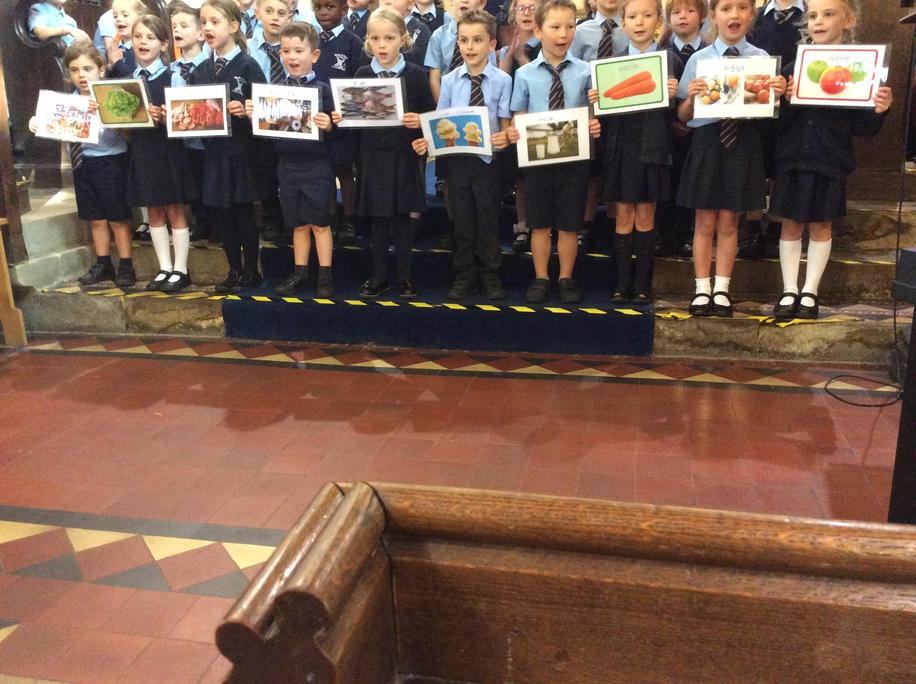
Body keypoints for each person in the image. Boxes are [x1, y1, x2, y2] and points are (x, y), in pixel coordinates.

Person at [771, 0, 891, 319]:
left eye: (828, 14)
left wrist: (880, 108)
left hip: (830, 158)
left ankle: (810, 292)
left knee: (821, 225)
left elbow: (864, 128)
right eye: (812, 16)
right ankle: (789, 290)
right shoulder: (793, 67)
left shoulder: (860, 70)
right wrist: (783, 98)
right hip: (793, 157)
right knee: (790, 224)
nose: (818, 22)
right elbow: (775, 123)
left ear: (848, 20)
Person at [676, 0, 786, 317]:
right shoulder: (699, 59)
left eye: (741, 8)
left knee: (729, 220)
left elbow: (769, 112)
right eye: (725, 9)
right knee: (704, 220)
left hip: (743, 142)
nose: (733, 15)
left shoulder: (762, 59)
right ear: (713, 17)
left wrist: (776, 95)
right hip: (707, 143)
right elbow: (682, 116)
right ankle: (701, 288)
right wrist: (692, 97)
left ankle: (722, 289)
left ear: (751, 15)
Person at [332, 7, 435, 298]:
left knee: (402, 221)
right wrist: (343, 118)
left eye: (389, 38)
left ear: (402, 39)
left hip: (403, 157)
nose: (382, 45)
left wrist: (421, 122)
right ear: (368, 41)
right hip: (371, 158)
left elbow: (430, 115)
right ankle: (379, 276)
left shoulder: (415, 74)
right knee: (377, 222)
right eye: (375, 38)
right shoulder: (363, 74)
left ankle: (405, 277)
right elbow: (354, 120)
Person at [413, 9, 511, 300]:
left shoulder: (503, 80)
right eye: (464, 40)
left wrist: (504, 136)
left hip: (488, 162)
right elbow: (441, 120)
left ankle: (490, 273)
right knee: (463, 219)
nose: (470, 46)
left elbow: (505, 125)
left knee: (488, 219)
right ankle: (465, 273)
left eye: (477, 40)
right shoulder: (450, 80)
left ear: (491, 44)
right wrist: (428, 141)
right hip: (457, 162)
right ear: (458, 43)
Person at [507, 0, 601, 304]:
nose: (563, 34)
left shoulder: (586, 72)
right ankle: (541, 277)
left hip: (574, 160)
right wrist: (515, 129)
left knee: (570, 224)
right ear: (538, 30)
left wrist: (593, 122)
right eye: (555, 27)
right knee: (540, 223)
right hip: (538, 161)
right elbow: (519, 113)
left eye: (570, 26)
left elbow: (591, 112)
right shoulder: (525, 74)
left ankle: (565, 277)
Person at [590, 0, 682, 303]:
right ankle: (622, 283)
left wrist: (672, 96)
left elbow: (678, 117)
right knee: (623, 214)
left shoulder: (670, 60)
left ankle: (643, 284)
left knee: (645, 214)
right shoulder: (610, 64)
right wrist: (597, 100)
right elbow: (602, 117)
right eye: (632, 16)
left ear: (658, 21)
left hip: (652, 147)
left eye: (647, 15)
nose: (639, 22)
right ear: (623, 23)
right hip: (620, 147)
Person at [30, 43, 134, 286]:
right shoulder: (69, 102)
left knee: (117, 217)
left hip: (110, 160)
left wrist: (104, 114)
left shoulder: (111, 96)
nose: (82, 75)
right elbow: (52, 123)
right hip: (82, 162)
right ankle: (103, 263)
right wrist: (36, 122)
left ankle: (126, 264)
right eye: (75, 70)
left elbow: (127, 132)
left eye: (88, 69)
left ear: (101, 70)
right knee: (95, 217)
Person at [246, 22, 337, 296]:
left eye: (299, 51)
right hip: (287, 166)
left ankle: (325, 277)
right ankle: (300, 274)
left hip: (317, 166)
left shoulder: (323, 90)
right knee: (297, 224)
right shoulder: (274, 90)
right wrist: (255, 116)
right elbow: (266, 133)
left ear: (314, 55)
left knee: (320, 224)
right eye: (286, 51)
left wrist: (329, 124)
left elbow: (338, 128)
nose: (292, 57)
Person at [191, 0, 268, 292]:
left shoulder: (248, 65)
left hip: (242, 153)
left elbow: (266, 112)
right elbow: (192, 112)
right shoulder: (201, 70)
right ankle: (233, 269)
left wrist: (248, 110)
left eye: (215, 22)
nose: (208, 28)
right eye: (204, 22)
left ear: (234, 26)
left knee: (243, 211)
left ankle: (251, 270)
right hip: (215, 154)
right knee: (222, 213)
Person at [127, 14, 199, 293]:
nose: (143, 42)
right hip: (143, 150)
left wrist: (165, 117)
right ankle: (164, 267)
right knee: (153, 210)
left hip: (168, 150)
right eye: (138, 37)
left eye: (150, 37)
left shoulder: (173, 77)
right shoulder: (130, 79)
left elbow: (186, 120)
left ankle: (181, 269)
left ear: (164, 44)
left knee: (174, 209)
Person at [569, 0, 627, 251]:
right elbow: (572, 68)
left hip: (623, 111)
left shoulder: (630, 27)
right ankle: (586, 223)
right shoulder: (581, 31)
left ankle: (615, 225)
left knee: (616, 169)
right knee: (590, 171)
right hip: (589, 111)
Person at [657, 0, 708, 257]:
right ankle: (664, 234)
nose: (682, 17)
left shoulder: (710, 53)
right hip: (666, 132)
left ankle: (687, 233)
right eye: (676, 12)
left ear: (703, 16)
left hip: (700, 132)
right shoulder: (660, 54)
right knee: (667, 182)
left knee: (693, 182)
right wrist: (672, 123)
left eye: (689, 11)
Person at [313, 0, 362, 245]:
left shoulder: (353, 42)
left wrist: (348, 113)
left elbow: (359, 81)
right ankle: (331, 218)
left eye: (329, 6)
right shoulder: (312, 41)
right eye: (318, 7)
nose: (323, 12)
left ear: (343, 10)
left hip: (344, 120)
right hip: (318, 119)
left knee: (344, 170)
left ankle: (349, 219)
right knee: (325, 171)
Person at [497, 0, 540, 254]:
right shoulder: (506, 46)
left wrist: (522, 58)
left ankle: (543, 224)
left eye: (532, 8)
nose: (527, 13)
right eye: (522, 7)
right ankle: (523, 226)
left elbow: (538, 82)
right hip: (513, 120)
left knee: (537, 176)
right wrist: (510, 54)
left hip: (538, 115)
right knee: (521, 177)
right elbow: (500, 81)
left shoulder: (545, 44)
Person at [170, 0, 214, 244]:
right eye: (174, 26)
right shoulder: (172, 70)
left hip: (206, 140)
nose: (177, 30)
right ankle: (201, 221)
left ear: (200, 34)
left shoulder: (210, 68)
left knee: (208, 181)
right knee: (193, 183)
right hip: (183, 141)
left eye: (184, 26)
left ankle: (214, 223)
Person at [250, 0, 293, 244]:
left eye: (281, 12)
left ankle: (291, 219)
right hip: (260, 121)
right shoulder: (248, 48)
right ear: (257, 13)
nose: (275, 17)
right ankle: (271, 219)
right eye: (269, 11)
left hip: (291, 120)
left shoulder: (294, 47)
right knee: (265, 172)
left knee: (287, 172)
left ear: (290, 17)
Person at [381, 0, 430, 66]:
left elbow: (419, 60)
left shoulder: (421, 29)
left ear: (411, 3)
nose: (387, 2)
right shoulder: (374, 27)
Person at [107, 0, 145, 76]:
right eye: (115, 16)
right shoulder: (114, 47)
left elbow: (136, 79)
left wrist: (117, 62)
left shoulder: (144, 47)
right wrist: (109, 68)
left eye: (125, 15)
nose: (118, 19)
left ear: (140, 17)